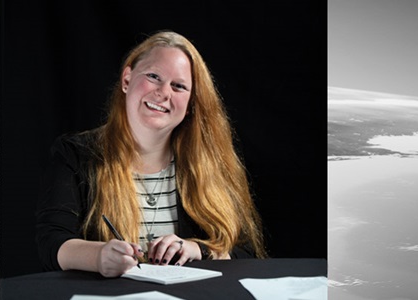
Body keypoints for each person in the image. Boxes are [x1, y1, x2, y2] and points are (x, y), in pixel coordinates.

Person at [35, 31, 267, 278]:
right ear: (127, 80)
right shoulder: (75, 153)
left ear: (190, 104)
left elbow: (246, 251)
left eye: (178, 86)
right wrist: (99, 257)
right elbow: (52, 243)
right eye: (154, 76)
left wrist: (197, 249)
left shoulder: (210, 164)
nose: (163, 92)